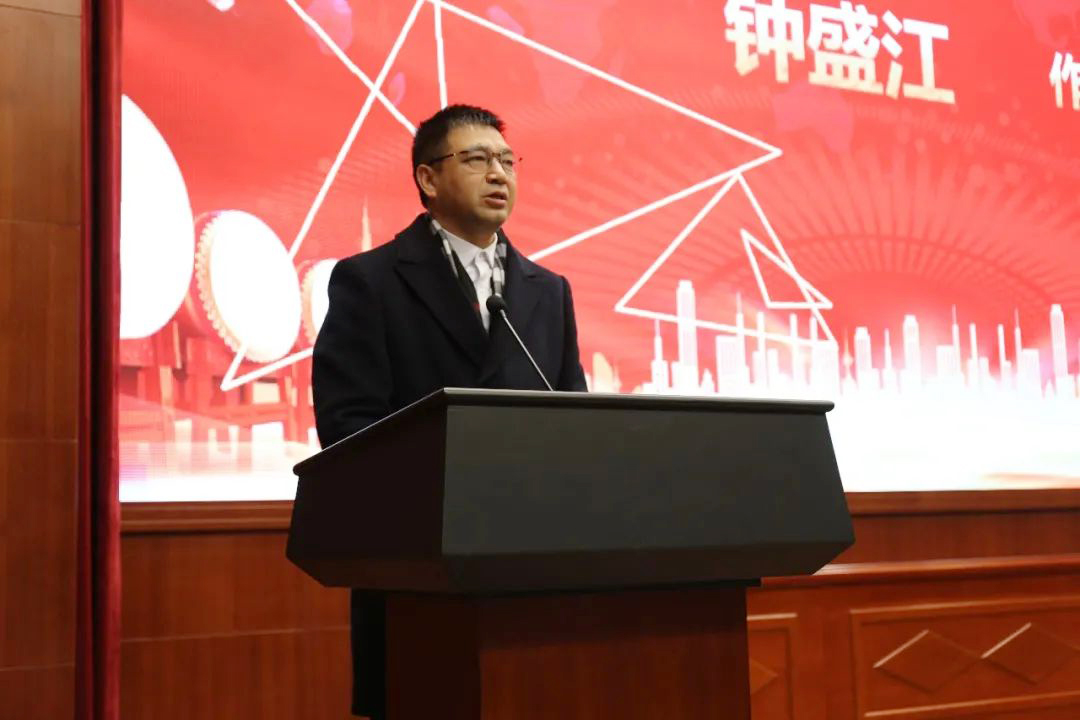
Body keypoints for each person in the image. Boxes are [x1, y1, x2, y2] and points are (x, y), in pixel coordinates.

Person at [311, 104, 588, 718]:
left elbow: (576, 424)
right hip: (419, 575)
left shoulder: (548, 292)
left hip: (533, 571)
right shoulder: (371, 281)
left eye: (507, 161)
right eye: (478, 159)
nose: (499, 174)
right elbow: (348, 427)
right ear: (428, 178)